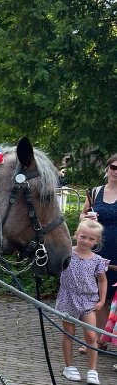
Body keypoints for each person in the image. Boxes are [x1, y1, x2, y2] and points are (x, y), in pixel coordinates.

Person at [56, 218, 108, 385]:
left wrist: (102, 300)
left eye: (91, 239)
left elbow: (102, 280)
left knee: (91, 335)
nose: (86, 241)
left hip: (88, 300)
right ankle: (69, 367)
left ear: (97, 241)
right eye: (83, 236)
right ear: (76, 235)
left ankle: (92, 370)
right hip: (67, 298)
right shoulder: (66, 253)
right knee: (69, 333)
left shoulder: (97, 260)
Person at [81, 153, 117, 369]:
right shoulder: (96, 192)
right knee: (100, 297)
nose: (116, 171)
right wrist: (87, 218)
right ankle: (100, 341)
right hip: (100, 251)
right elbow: (83, 215)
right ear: (107, 167)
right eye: (114, 166)